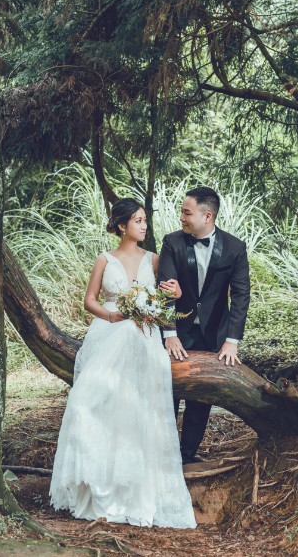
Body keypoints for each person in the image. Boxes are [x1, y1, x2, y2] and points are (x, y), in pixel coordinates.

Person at [50, 197, 196, 529]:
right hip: (109, 334)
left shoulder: (155, 260)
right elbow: (89, 300)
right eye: (139, 221)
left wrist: (172, 295)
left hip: (144, 339)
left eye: (146, 220)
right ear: (122, 226)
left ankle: (132, 489)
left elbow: (170, 295)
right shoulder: (105, 260)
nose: (145, 226)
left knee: (138, 409)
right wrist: (113, 314)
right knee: (90, 400)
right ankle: (94, 482)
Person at [158, 186, 251, 464]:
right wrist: (169, 333)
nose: (181, 217)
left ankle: (187, 455)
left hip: (214, 335)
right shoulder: (171, 243)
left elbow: (241, 295)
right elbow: (164, 289)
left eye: (187, 213)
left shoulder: (235, 248)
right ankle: (163, 455)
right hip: (178, 333)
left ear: (207, 216)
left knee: (201, 399)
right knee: (168, 394)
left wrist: (231, 340)